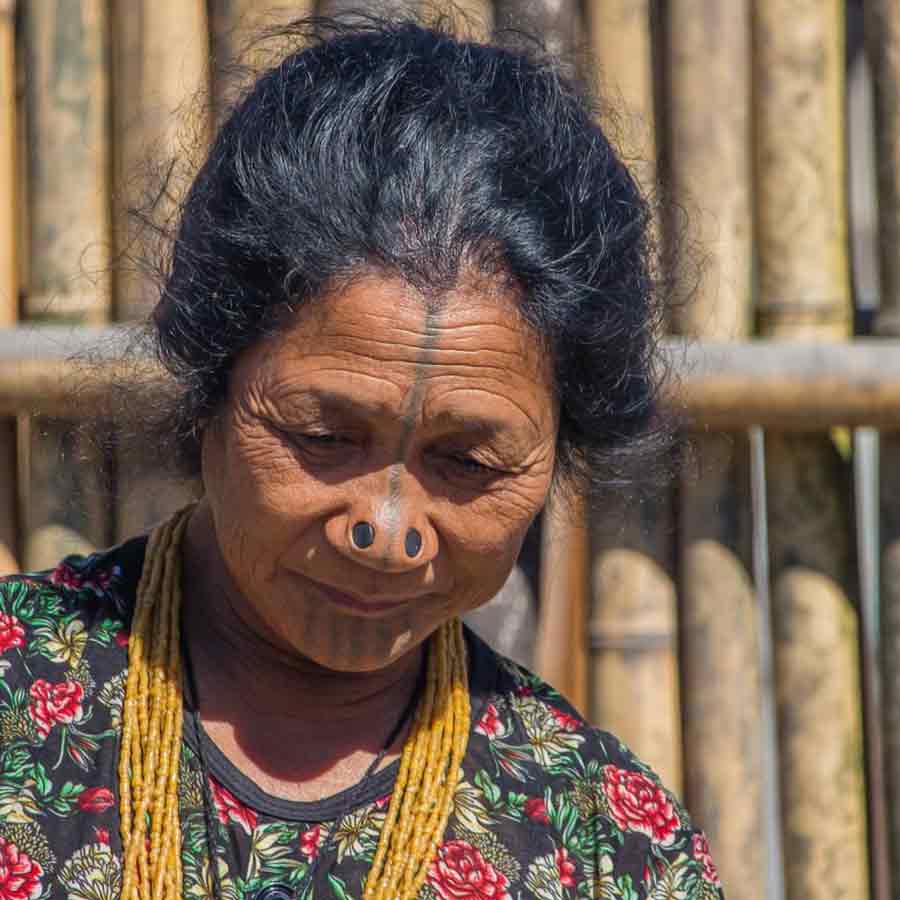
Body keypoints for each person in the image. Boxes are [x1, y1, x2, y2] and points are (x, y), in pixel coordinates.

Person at [0, 16, 724, 900]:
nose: (386, 531)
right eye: (321, 437)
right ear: (213, 386)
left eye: (468, 462)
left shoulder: (610, 848)